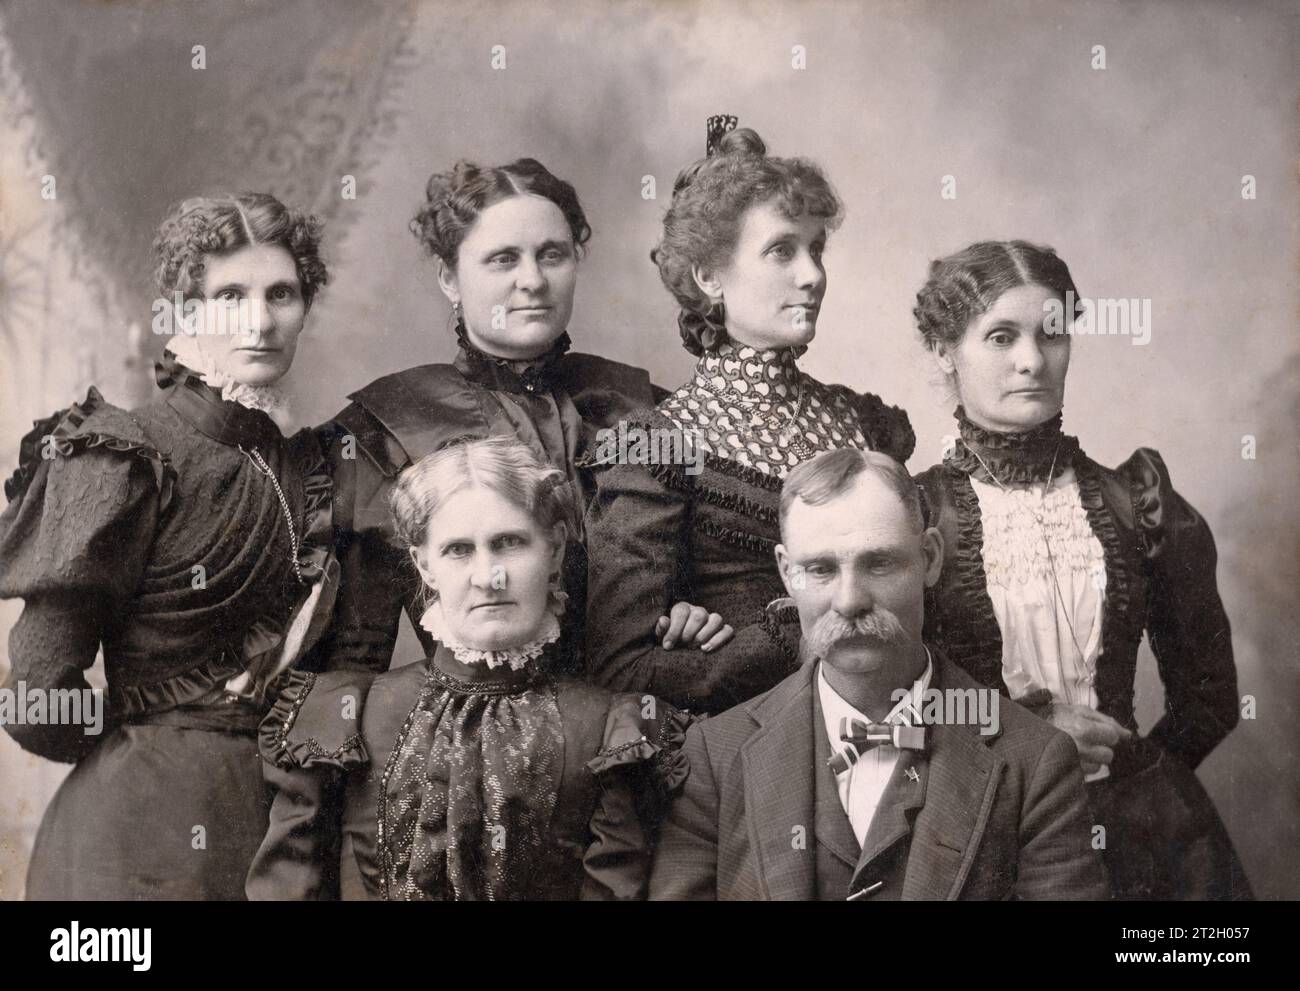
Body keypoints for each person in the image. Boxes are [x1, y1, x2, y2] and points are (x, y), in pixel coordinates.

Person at [0, 192, 336, 899]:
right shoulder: (124, 453)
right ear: (184, 309)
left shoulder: (309, 467)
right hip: (132, 843)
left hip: (276, 833)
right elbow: (36, 697)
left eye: (282, 292)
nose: (260, 318)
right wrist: (149, 744)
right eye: (230, 295)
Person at [911, 240, 1250, 899]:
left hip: (1142, 849)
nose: (1032, 360)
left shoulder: (1138, 503)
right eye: (1001, 336)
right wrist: (1015, 735)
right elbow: (882, 701)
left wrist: (1134, 780)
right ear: (946, 351)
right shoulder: (914, 514)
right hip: (976, 834)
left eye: (1053, 333)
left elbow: (1208, 697)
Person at [310, 157, 721, 676]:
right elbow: (354, 659)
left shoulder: (644, 409)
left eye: (552, 255)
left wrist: (695, 613)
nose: (533, 280)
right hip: (469, 728)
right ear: (449, 277)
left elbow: (704, 584)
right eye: (503, 259)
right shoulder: (386, 429)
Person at [648, 448, 1108, 900]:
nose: (849, 601)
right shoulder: (714, 757)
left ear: (930, 558)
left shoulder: (1035, 759)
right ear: (787, 574)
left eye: (879, 563)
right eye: (820, 569)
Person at [247, 437, 690, 901]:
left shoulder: (610, 732)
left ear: (555, 549)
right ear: (424, 566)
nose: (488, 576)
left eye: (510, 543)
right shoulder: (345, 715)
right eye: (459, 550)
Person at [584, 117, 914, 714]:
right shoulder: (657, 449)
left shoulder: (866, 426)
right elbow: (620, 669)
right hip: (741, 752)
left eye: (816, 249)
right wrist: (782, 636)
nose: (812, 275)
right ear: (709, 277)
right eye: (781, 251)